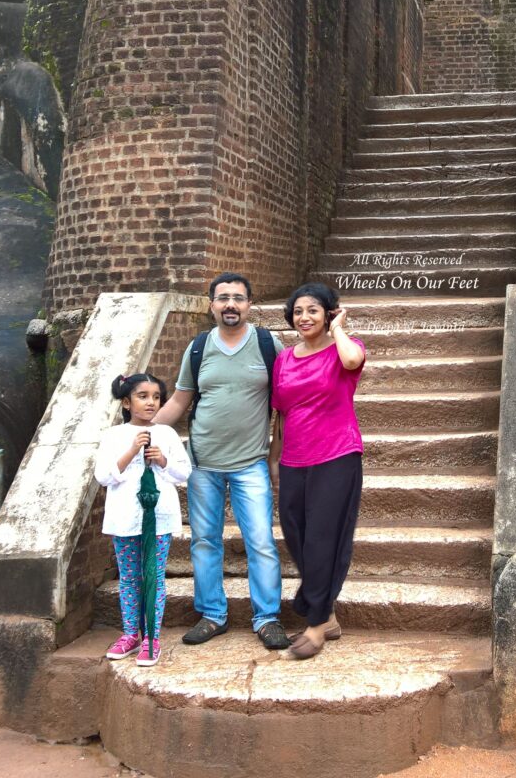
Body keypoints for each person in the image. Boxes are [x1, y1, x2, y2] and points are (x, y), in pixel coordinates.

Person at [154, 272, 290, 650]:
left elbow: (284, 406)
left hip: (251, 463)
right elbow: (179, 401)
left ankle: (267, 618)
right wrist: (141, 430)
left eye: (238, 298)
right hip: (202, 464)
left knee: (260, 541)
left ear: (249, 304)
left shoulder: (269, 345)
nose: (231, 304)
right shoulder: (199, 347)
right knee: (204, 542)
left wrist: (276, 456)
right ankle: (212, 614)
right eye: (223, 298)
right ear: (212, 304)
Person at [270, 282, 366, 659]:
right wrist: (275, 457)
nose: (304, 317)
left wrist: (338, 329)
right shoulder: (284, 359)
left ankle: (316, 623)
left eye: (313, 310)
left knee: (323, 539)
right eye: (298, 311)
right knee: (296, 534)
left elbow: (352, 362)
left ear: (328, 313)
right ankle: (328, 615)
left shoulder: (346, 348)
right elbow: (281, 412)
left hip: (337, 455)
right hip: (294, 458)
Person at [95, 373, 191, 667]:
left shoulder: (167, 434)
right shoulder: (114, 436)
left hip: (159, 518)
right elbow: (103, 476)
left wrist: (162, 460)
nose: (151, 402)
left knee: (154, 575)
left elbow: (184, 473)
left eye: (156, 397)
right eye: (143, 396)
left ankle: (151, 636)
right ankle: (130, 634)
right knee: (129, 577)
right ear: (126, 402)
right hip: (125, 518)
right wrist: (132, 450)